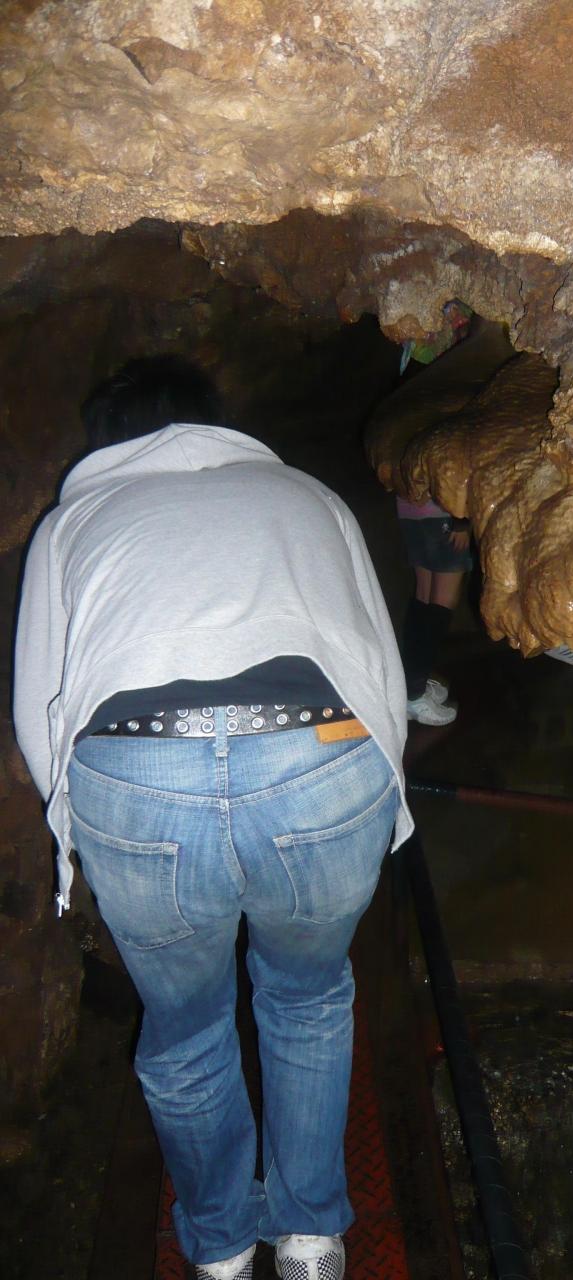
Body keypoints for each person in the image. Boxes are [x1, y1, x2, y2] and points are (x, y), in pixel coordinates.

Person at [13, 355, 413, 1280]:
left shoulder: (72, 522)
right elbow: (376, 661)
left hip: (138, 770)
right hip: (320, 761)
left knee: (187, 1027)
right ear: (215, 423)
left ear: (114, 439)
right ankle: (313, 1238)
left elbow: (44, 706)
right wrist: (378, 802)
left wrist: (78, 833)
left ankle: (223, 1249)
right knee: (307, 999)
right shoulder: (307, 495)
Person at [397, 493, 472, 725]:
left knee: (423, 596)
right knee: (442, 602)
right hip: (442, 511)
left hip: (409, 508)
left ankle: (409, 684)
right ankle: (415, 693)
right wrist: (461, 520)